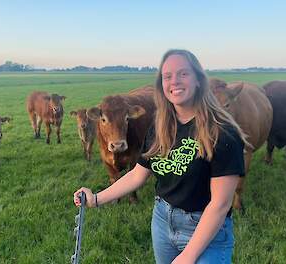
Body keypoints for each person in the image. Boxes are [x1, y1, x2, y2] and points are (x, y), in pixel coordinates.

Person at [74, 49, 246, 264]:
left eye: (183, 73)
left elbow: (220, 204)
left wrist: (188, 256)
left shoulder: (223, 132)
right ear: (162, 85)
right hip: (163, 221)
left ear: (199, 80)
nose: (174, 81)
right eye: (167, 76)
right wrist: (96, 199)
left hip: (205, 228)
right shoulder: (161, 126)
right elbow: (138, 174)